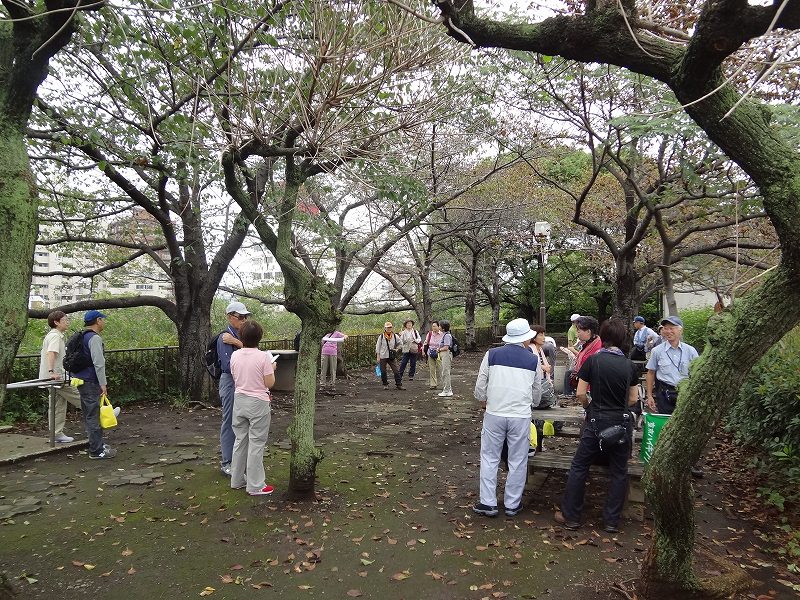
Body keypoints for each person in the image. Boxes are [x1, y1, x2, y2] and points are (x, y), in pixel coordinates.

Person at [556, 318, 639, 533]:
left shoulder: (593, 361)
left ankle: (571, 516)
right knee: (619, 472)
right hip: (621, 425)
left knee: (579, 466)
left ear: (602, 336)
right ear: (622, 338)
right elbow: (633, 399)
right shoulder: (630, 365)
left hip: (595, 423)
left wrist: (589, 406)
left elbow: (580, 393)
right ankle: (611, 521)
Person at [473, 318, 540, 518]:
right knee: (518, 459)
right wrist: (532, 403)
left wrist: (484, 401)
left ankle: (488, 502)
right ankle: (512, 504)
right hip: (520, 416)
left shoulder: (491, 354)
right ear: (525, 338)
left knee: (489, 457)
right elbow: (537, 392)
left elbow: (480, 385)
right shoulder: (533, 359)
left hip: (494, 413)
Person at [644, 316, 702, 477]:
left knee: (687, 428)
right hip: (664, 394)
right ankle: (665, 462)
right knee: (666, 427)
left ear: (680, 330)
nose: (668, 331)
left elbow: (698, 373)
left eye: (672, 328)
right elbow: (650, 373)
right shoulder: (657, 351)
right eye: (665, 328)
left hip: (685, 394)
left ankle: (688, 463)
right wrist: (650, 395)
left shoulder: (691, 351)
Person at [229, 320, 276, 496]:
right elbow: (269, 383)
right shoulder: (263, 357)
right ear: (259, 337)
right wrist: (272, 368)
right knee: (256, 442)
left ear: (241, 336)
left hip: (239, 400)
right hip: (258, 402)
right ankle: (256, 485)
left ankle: (237, 479)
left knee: (240, 440)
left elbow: (235, 376)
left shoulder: (235, 355)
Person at [71, 310, 116, 459]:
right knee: (93, 415)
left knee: (89, 415)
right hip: (91, 381)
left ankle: (97, 444)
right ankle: (97, 451)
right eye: (103, 319)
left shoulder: (83, 336)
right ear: (98, 320)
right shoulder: (94, 338)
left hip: (81, 379)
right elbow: (99, 363)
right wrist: (103, 383)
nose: (104, 322)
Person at [217, 300, 251, 476]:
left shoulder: (239, 337)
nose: (244, 320)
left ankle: (239, 460)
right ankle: (227, 462)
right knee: (230, 420)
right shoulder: (224, 337)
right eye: (241, 317)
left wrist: (237, 343)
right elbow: (228, 365)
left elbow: (254, 351)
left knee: (243, 421)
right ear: (230, 317)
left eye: (246, 317)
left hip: (244, 382)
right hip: (230, 381)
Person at [39, 311, 82, 443]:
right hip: (57, 377)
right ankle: (104, 414)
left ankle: (56, 434)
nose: (67, 322)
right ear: (56, 322)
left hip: (53, 376)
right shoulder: (55, 336)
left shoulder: (52, 335)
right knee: (80, 395)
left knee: (57, 405)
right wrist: (52, 372)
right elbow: (51, 353)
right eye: (65, 320)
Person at [375, 321, 403, 390]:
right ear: (385, 328)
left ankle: (399, 384)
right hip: (383, 355)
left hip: (391, 356)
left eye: (390, 327)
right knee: (383, 371)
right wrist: (378, 356)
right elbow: (378, 346)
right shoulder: (381, 336)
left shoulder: (395, 336)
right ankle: (385, 384)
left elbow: (400, 344)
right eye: (387, 327)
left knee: (396, 370)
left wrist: (397, 349)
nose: (389, 329)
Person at [562, 314, 581, 395]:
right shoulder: (571, 330)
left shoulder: (578, 329)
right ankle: (569, 391)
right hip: (574, 353)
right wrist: (577, 353)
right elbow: (570, 345)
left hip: (578, 353)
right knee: (572, 371)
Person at [422, 321, 444, 390]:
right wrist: (423, 350)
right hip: (430, 352)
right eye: (432, 326)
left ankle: (442, 383)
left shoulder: (442, 334)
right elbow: (426, 342)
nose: (433, 327)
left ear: (438, 326)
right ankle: (433, 384)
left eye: (435, 326)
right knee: (432, 369)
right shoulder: (430, 334)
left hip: (439, 353)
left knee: (440, 368)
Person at [437, 320, 454, 397]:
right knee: (444, 371)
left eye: (440, 326)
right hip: (443, 354)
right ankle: (447, 389)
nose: (439, 327)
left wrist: (439, 349)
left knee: (445, 372)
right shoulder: (444, 334)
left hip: (446, 354)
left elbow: (446, 347)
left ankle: (447, 390)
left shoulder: (447, 336)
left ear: (443, 328)